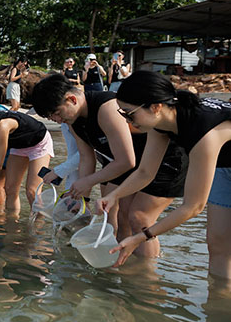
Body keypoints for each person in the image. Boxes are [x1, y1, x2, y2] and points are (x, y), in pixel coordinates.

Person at [31, 73, 187, 258]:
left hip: (166, 160)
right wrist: (82, 199)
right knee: (121, 218)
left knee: (139, 218)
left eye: (56, 113)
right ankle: (122, 267)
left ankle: (146, 275)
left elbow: (126, 160)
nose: (57, 120)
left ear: (72, 99)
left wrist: (87, 182)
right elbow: (86, 158)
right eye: (51, 117)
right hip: (131, 164)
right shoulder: (73, 120)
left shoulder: (106, 108)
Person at [97, 71, 231, 278]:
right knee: (217, 242)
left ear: (156, 106)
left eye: (129, 113)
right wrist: (114, 195)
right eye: (122, 114)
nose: (126, 122)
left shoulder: (205, 135)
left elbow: (193, 207)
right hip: (223, 165)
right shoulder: (160, 124)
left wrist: (141, 237)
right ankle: (219, 300)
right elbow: (145, 172)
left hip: (218, 156)